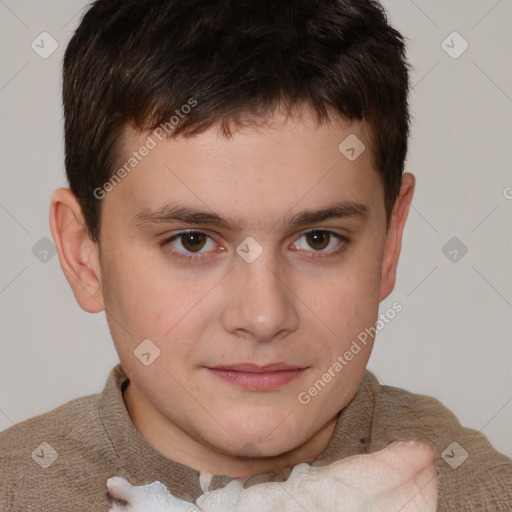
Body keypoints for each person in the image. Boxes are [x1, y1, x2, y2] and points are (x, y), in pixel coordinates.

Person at [1, 0, 510, 510]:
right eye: (192, 241)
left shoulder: (485, 495)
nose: (264, 317)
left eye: (318, 239)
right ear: (84, 255)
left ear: (388, 244)